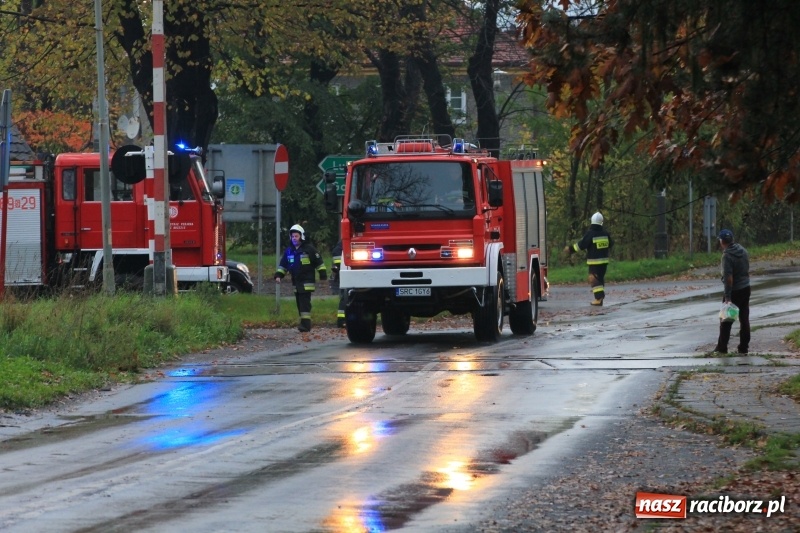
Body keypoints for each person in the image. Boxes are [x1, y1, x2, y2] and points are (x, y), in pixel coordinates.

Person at [274, 224, 327, 332]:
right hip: (296, 282)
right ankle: (303, 322)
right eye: (293, 236)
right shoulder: (289, 251)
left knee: (304, 303)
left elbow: (319, 261)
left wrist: (322, 274)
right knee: (299, 303)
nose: (294, 238)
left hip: (307, 282)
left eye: (296, 236)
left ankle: (305, 325)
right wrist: (279, 275)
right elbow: (283, 265)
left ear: (301, 237)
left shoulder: (309, 249)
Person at [563, 211, 613, 306]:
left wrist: (570, 249)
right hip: (604, 262)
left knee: (593, 278)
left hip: (594, 262)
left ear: (592, 222)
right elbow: (611, 244)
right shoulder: (605, 233)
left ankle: (599, 298)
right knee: (600, 279)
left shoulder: (591, 233)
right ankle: (600, 299)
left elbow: (581, 245)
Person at [713, 229, 750, 354]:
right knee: (744, 319)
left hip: (734, 291)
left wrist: (728, 298)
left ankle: (722, 348)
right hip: (746, 288)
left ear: (722, 241)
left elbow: (729, 278)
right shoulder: (744, 251)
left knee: (726, 320)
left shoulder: (727, 255)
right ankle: (743, 347)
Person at [330, 239, 346, 328]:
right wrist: (341, 266)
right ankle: (341, 321)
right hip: (346, 272)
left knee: (345, 296)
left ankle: (342, 320)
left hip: (347, 271)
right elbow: (336, 252)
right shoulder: (344, 241)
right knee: (345, 296)